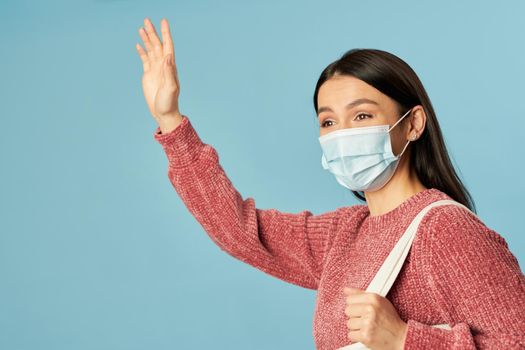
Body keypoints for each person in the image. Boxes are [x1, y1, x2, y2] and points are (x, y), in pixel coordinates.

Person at [135, 17, 525, 350]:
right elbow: (240, 231)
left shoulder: (446, 232)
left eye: (361, 117)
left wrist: (404, 339)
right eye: (328, 122)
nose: (342, 134)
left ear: (413, 123)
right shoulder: (344, 234)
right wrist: (171, 121)